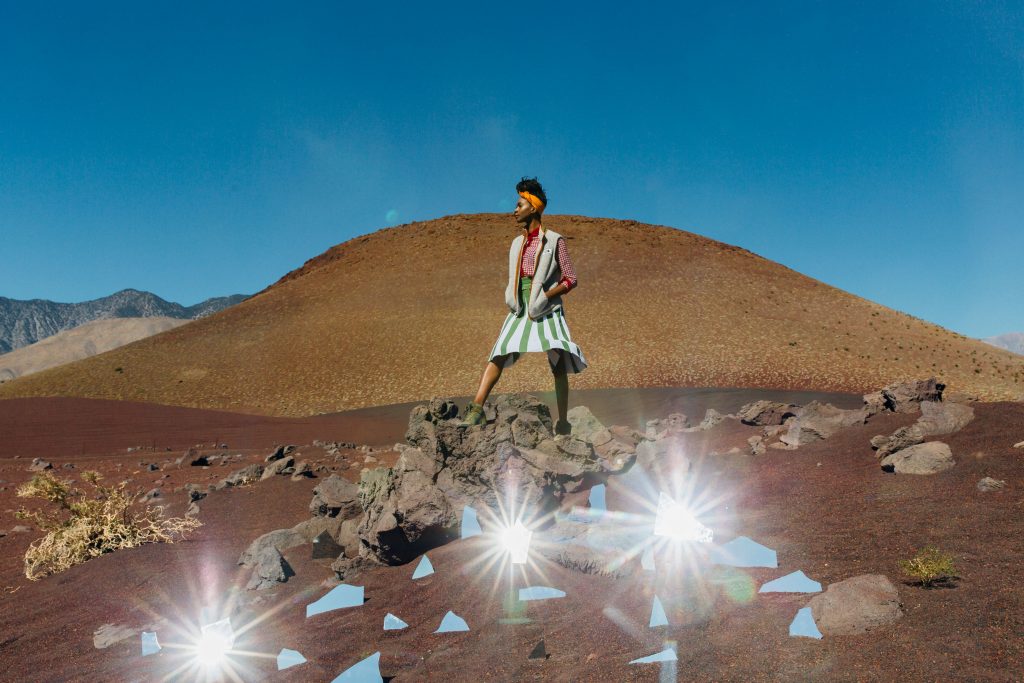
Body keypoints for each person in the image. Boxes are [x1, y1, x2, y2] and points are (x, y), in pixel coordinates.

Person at [459, 177, 587, 435]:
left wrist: (548, 295)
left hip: (546, 307)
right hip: (519, 306)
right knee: (499, 352)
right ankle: (476, 409)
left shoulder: (555, 240)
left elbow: (571, 278)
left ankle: (563, 423)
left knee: (558, 361)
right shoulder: (517, 243)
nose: (514, 210)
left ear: (533, 207)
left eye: (519, 205)